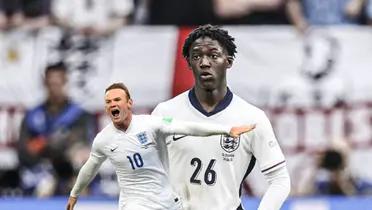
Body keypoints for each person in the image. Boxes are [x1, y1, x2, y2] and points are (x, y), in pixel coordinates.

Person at [151, 24, 290, 210]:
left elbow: (280, 180)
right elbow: (144, 172)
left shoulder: (252, 118)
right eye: (197, 56)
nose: (204, 62)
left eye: (213, 55)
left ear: (229, 61)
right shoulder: (165, 113)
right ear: (189, 63)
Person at [66, 82, 255, 210]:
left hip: (167, 201)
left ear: (129, 103)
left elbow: (188, 127)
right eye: (108, 102)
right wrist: (74, 194)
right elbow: (89, 169)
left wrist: (226, 130)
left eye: (117, 100)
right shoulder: (104, 139)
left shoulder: (150, 124)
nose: (112, 105)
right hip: (135, 203)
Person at [18, 62, 96, 196]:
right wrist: (44, 144)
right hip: (41, 170)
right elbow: (24, 151)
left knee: (82, 160)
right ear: (45, 83)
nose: (54, 88)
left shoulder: (79, 115)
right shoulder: (33, 116)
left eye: (58, 83)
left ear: (65, 82)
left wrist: (56, 143)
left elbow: (83, 146)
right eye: (50, 84)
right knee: (42, 185)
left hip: (70, 171)